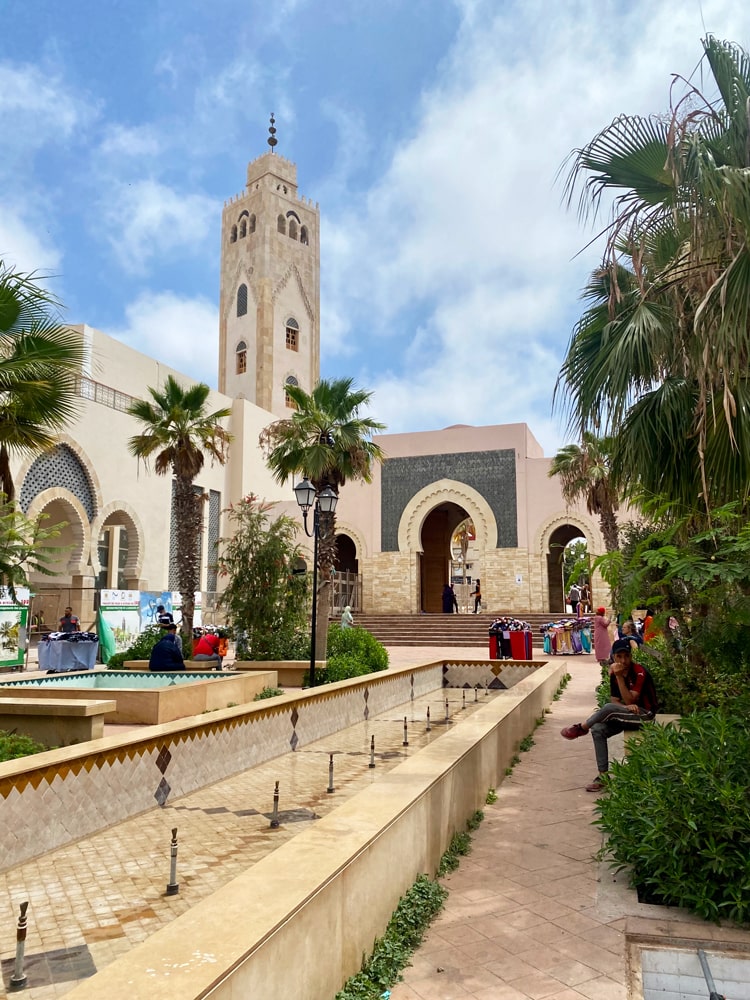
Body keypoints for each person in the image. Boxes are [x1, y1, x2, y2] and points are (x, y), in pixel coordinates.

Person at [561, 637, 659, 792]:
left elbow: (629, 699)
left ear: (631, 657)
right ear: (613, 657)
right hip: (627, 714)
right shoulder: (614, 674)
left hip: (645, 715)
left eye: (626, 656)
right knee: (598, 729)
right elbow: (616, 700)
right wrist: (626, 707)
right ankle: (603, 776)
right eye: (619, 656)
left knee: (607, 708)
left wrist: (620, 680)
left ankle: (582, 727)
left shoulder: (639, 672)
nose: (623, 660)